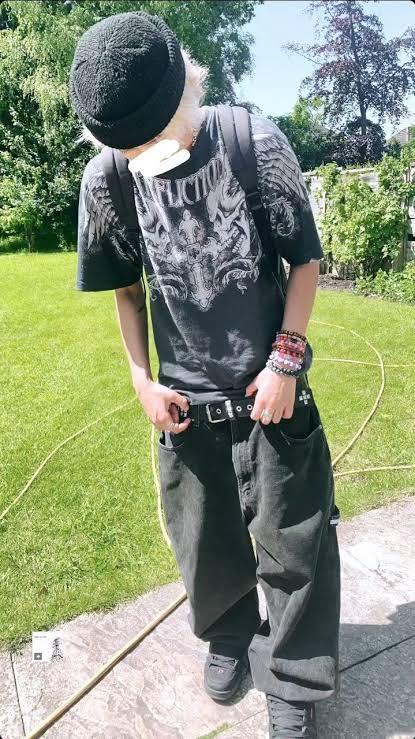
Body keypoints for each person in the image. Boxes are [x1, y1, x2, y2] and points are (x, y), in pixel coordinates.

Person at [69, 10, 341, 738]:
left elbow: (305, 261)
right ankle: (228, 636)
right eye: (124, 147)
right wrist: (141, 378)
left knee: (295, 544)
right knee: (204, 542)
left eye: (149, 140)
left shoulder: (253, 142)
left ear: (184, 95)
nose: (139, 156)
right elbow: (127, 291)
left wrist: (286, 361)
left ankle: (293, 678)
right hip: (184, 405)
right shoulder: (108, 178)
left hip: (270, 393)